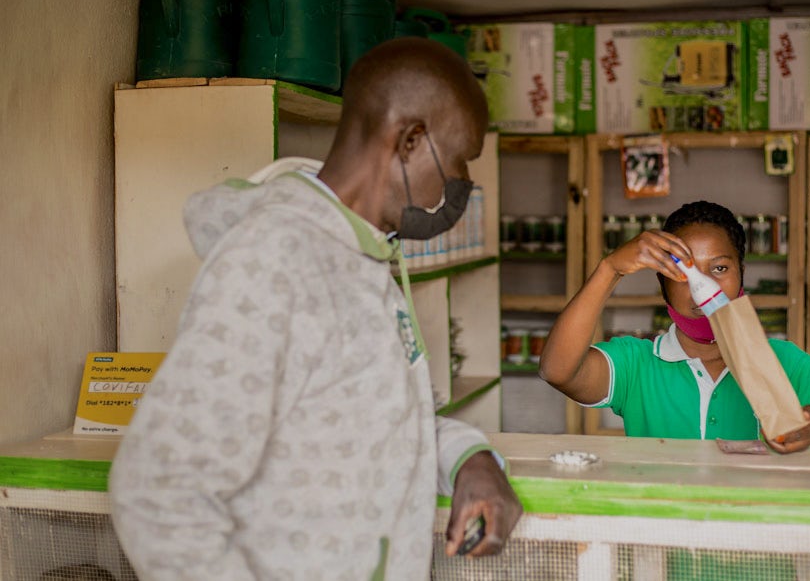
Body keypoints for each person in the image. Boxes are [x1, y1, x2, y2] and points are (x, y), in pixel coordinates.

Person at [110, 38, 522, 579]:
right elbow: (159, 490)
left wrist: (472, 458)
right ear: (411, 141)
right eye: (461, 160)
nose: (463, 185)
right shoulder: (274, 260)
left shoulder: (365, 260)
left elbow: (379, 422)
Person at [539, 200, 810, 452]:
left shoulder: (784, 361)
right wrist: (610, 268)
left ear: (741, 274)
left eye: (719, 269)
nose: (703, 288)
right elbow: (558, 371)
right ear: (662, 283)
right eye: (682, 272)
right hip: (661, 544)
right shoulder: (637, 365)